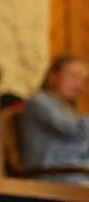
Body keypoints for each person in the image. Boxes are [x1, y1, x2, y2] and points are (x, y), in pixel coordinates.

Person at [20, 55, 89, 185]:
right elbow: (73, 132)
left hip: (76, 175)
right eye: (74, 77)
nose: (80, 86)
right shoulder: (39, 101)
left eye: (83, 80)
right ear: (53, 77)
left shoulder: (68, 109)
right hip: (54, 178)